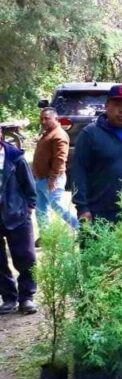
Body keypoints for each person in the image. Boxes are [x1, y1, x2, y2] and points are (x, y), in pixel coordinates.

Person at [69, 83, 122, 224]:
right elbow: (78, 172)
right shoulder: (90, 134)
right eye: (117, 104)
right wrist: (82, 208)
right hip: (97, 212)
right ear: (106, 106)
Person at [0, 137, 38, 314]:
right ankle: (8, 298)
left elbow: (30, 187)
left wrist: (28, 208)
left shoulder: (15, 157)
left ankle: (26, 297)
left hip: (18, 214)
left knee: (26, 257)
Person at [33, 107, 78, 234]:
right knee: (41, 209)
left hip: (52, 179)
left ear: (56, 119)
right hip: (41, 179)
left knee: (58, 206)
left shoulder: (59, 134)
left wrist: (52, 178)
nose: (43, 121)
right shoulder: (47, 132)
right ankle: (45, 235)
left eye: (47, 118)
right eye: (41, 118)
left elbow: (60, 159)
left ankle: (82, 228)